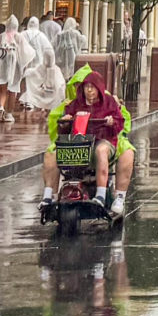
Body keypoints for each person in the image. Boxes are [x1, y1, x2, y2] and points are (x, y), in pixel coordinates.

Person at [43, 68, 133, 210]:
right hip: (78, 142)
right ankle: (49, 196)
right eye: (86, 87)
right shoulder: (74, 104)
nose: (89, 91)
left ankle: (101, 195)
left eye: (92, 87)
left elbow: (120, 123)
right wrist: (65, 121)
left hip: (101, 140)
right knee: (51, 153)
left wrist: (111, 122)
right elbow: (62, 129)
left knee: (102, 150)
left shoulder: (109, 102)